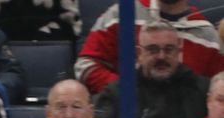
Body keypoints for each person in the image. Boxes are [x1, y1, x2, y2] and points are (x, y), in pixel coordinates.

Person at [94, 19, 209, 118]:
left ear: (179, 51)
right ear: (139, 53)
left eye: (168, 49)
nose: (161, 56)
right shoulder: (116, 93)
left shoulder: (202, 90)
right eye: (153, 50)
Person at [76, 0, 224, 95]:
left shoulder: (208, 37)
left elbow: (218, 93)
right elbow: (85, 66)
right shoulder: (122, 14)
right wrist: (125, 91)